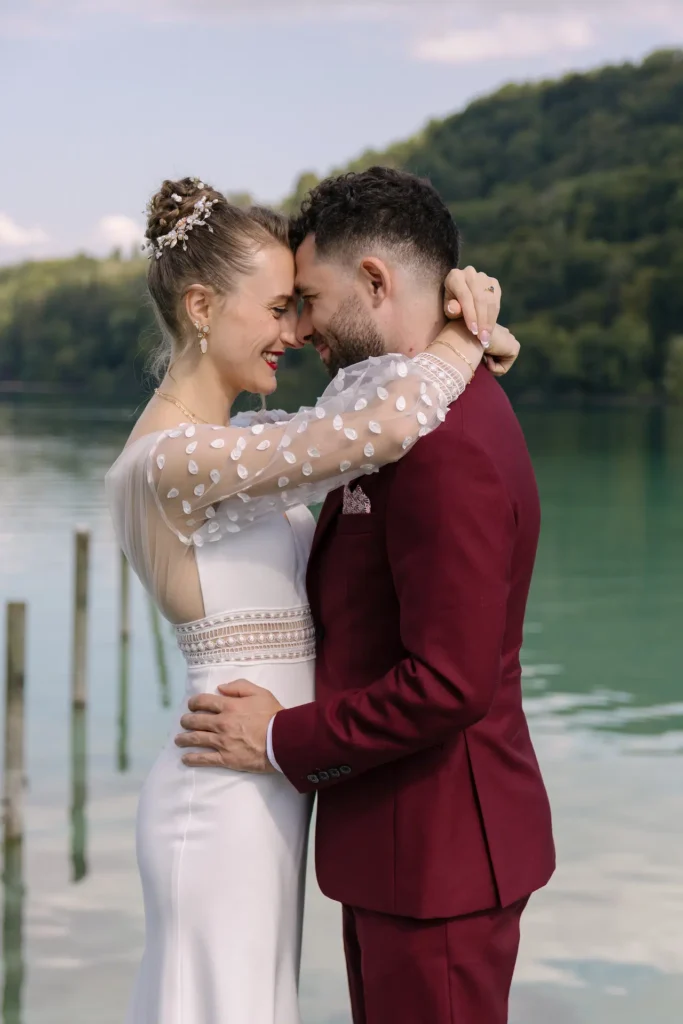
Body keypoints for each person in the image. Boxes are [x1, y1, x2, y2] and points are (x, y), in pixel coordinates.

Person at [105, 173, 517, 1024]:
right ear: (202, 307)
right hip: (222, 791)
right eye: (280, 307)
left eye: (303, 304)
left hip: (278, 785)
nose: (295, 331)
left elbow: (367, 408)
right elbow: (389, 424)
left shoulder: (243, 443)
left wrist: (463, 316)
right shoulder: (168, 463)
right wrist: (456, 336)